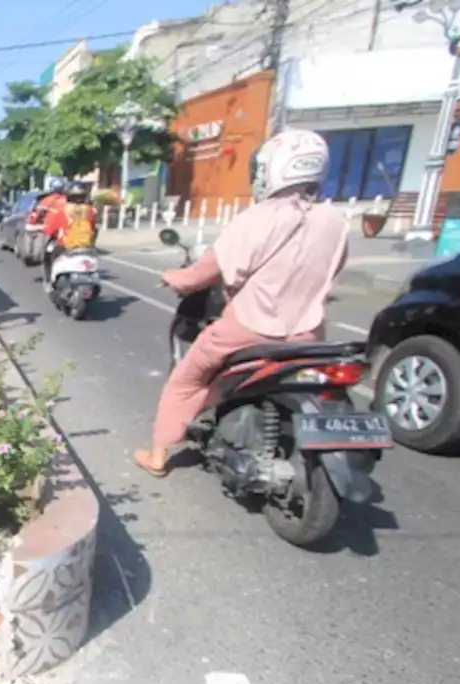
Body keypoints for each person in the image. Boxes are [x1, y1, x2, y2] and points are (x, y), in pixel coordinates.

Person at [133, 128, 349, 477]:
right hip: (308, 336)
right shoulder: (334, 221)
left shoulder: (259, 217)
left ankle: (158, 456)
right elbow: (333, 270)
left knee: (184, 383)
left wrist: (175, 277)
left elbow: (205, 272)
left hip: (248, 328)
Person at [40, 181, 97, 284]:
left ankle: (50, 281)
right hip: (86, 247)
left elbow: (51, 230)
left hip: (66, 246)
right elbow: (93, 228)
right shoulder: (91, 211)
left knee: (49, 255)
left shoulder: (63, 211)